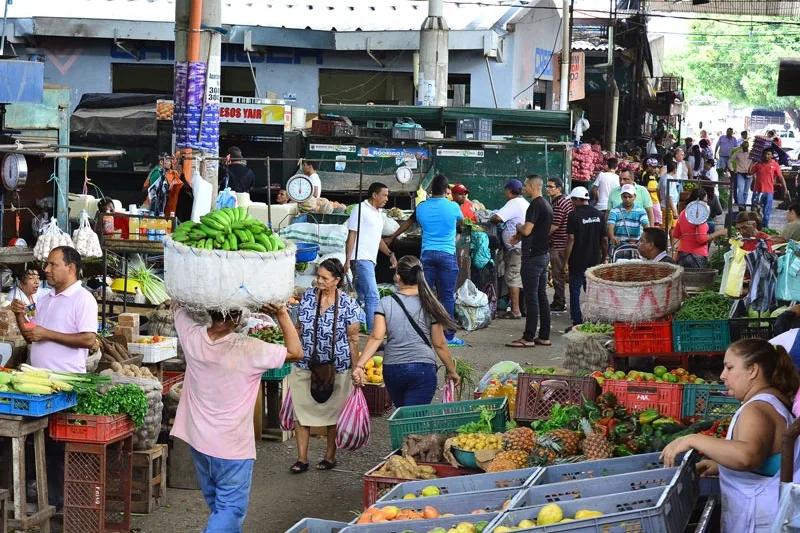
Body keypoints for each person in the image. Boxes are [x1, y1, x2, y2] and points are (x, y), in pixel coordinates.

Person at [171, 301, 302, 532]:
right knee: (229, 510)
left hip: (199, 443)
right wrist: (281, 312)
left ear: (209, 312)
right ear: (238, 318)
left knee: (219, 509)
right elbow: (296, 352)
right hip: (232, 449)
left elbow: (177, 306)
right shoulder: (249, 348)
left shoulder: (191, 336)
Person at [661, 339, 800, 532]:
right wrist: (721, 466)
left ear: (752, 370)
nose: (722, 375)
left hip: (762, 522)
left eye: (729, 367)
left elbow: (747, 456)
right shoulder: (775, 400)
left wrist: (693, 439)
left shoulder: (756, 409)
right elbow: (769, 460)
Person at [9, 246, 97, 511]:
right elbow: (32, 336)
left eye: (51, 264)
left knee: (58, 447)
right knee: (42, 444)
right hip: (39, 385)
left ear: (70, 267)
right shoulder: (45, 299)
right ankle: (46, 499)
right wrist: (19, 315)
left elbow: (88, 339)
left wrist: (47, 333)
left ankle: (60, 506)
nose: (46, 270)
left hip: (65, 385)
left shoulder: (83, 299)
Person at [352, 256, 460, 406]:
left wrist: (359, 365)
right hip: (422, 369)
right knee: (413, 421)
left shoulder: (385, 303)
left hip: (393, 370)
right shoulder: (430, 304)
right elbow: (440, 343)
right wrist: (452, 371)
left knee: (401, 415)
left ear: (398, 277)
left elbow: (376, 338)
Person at [289, 258, 361, 474]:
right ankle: (302, 458)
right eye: (317, 276)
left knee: (333, 415)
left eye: (324, 278)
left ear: (336, 281)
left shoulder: (348, 304)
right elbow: (299, 328)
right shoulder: (308, 298)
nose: (318, 281)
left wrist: (357, 369)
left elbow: (354, 339)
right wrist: (288, 352)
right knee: (301, 413)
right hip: (305, 364)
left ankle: (330, 456)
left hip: (337, 368)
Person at [387, 175, 465, 346]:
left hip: (427, 255)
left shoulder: (422, 207)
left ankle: (423, 332)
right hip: (446, 254)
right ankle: (448, 336)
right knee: (446, 296)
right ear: (447, 191)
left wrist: (392, 237)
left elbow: (408, 222)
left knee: (424, 295)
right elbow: (461, 220)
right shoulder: (453, 207)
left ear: (430, 190)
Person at [344, 182, 397, 334]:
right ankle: (374, 332)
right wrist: (348, 260)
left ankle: (355, 325)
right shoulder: (360, 210)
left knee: (362, 298)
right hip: (360, 258)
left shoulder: (378, 213)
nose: (387, 198)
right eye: (384, 195)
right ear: (374, 195)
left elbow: (377, 238)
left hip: (369, 260)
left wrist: (390, 254)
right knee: (373, 295)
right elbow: (352, 235)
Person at [506, 175, 552, 348]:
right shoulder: (547, 205)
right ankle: (544, 335)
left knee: (531, 298)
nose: (523, 189)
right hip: (542, 255)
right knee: (541, 296)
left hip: (532, 257)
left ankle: (528, 337)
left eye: (525, 186)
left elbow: (527, 230)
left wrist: (518, 227)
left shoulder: (535, 205)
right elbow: (536, 231)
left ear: (533, 186)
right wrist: (519, 236)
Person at [564, 187, 606, 328]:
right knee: (592, 293)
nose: (571, 202)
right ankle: (593, 322)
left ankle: (577, 322)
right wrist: (604, 258)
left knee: (575, 292)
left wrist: (566, 261)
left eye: (572, 200)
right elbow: (604, 240)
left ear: (576, 200)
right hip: (594, 260)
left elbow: (571, 238)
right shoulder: (599, 215)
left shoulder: (573, 215)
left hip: (577, 260)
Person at [490, 180, 529, 319]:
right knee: (518, 277)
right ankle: (522, 309)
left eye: (506, 191)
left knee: (513, 277)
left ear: (510, 191)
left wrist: (490, 218)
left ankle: (515, 311)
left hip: (516, 248)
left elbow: (497, 217)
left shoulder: (514, 203)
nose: (505, 193)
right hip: (520, 247)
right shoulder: (524, 202)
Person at [671, 189, 728, 268]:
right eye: (705, 200)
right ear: (699, 201)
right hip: (697, 256)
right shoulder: (699, 215)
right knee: (697, 280)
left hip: (682, 254)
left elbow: (676, 234)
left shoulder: (683, 212)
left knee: (683, 279)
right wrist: (720, 233)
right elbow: (701, 239)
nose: (706, 202)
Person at [546, 177, 573, 313]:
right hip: (561, 243)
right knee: (558, 275)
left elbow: (555, 226)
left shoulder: (559, 204)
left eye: (551, 187)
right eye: (547, 186)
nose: (548, 189)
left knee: (558, 276)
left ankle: (560, 302)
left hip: (559, 244)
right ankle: (558, 300)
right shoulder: (560, 202)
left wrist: (541, 236)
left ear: (559, 188)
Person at [750, 149, 787, 228]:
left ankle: (765, 228)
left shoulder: (775, 165)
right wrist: (752, 162)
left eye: (769, 154)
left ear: (772, 156)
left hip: (769, 192)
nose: (766, 156)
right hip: (757, 191)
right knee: (754, 210)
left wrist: (785, 189)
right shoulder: (758, 164)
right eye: (765, 154)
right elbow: (750, 172)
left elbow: (781, 178)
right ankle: (754, 228)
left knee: (766, 212)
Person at [729, 141, 754, 210]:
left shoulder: (752, 154)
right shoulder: (737, 153)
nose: (745, 148)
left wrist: (754, 172)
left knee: (746, 191)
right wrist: (732, 169)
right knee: (740, 190)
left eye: (746, 147)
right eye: (744, 147)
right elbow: (730, 161)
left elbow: (755, 163)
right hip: (740, 174)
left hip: (749, 174)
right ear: (742, 146)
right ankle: (741, 206)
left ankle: (744, 204)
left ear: (748, 146)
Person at [658, 161, 680, 231]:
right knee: (665, 229)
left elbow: (657, 190)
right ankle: (663, 242)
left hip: (668, 206)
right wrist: (674, 210)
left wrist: (660, 200)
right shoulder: (668, 179)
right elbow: (669, 196)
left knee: (672, 228)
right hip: (668, 207)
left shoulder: (664, 177)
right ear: (675, 169)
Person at [641, 159, 663, 226]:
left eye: (656, 167)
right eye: (653, 167)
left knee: (658, 218)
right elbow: (644, 188)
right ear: (648, 166)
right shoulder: (645, 175)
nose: (655, 169)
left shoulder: (654, 175)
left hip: (655, 199)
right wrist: (656, 189)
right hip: (650, 200)